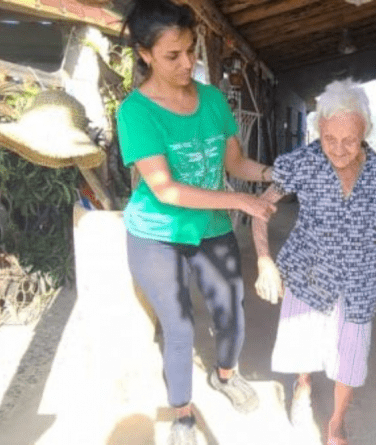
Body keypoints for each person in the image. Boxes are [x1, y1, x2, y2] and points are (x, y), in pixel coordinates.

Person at [117, 0, 276, 443]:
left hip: (210, 227)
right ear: (145, 54)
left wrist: (273, 174)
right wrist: (239, 203)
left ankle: (225, 375)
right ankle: (182, 413)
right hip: (157, 233)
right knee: (180, 326)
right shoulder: (136, 112)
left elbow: (236, 162)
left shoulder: (211, 100)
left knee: (232, 313)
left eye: (192, 51)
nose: (187, 63)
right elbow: (166, 189)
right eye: (173, 55)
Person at [252, 79, 376, 445]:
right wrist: (265, 260)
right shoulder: (301, 163)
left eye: (350, 141)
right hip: (308, 272)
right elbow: (259, 209)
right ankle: (303, 386)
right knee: (304, 346)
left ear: (365, 134)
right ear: (319, 129)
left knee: (351, 359)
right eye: (330, 139)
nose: (340, 150)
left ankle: (335, 423)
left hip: (357, 279)